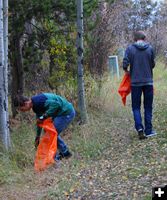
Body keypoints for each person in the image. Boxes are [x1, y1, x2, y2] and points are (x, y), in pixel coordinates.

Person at [14, 93, 75, 160]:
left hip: (66, 112)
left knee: (51, 133)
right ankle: (64, 153)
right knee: (49, 132)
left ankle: (59, 156)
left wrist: (44, 116)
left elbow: (56, 104)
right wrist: (37, 137)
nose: (23, 111)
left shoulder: (38, 102)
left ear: (26, 103)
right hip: (61, 114)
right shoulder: (35, 106)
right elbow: (40, 121)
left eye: (22, 109)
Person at [122, 31, 156, 140]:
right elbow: (153, 64)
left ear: (135, 39)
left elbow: (125, 63)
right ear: (144, 38)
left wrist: (127, 70)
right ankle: (149, 131)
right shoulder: (150, 48)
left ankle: (140, 128)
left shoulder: (130, 49)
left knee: (136, 107)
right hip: (148, 82)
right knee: (148, 106)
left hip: (135, 82)